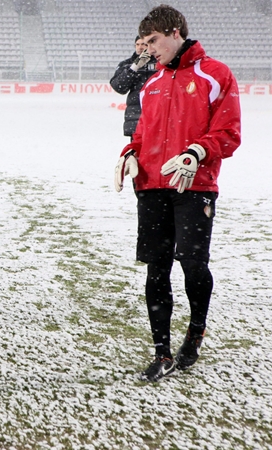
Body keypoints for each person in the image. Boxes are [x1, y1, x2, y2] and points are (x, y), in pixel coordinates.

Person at [113, 4, 241, 382]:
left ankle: (195, 333)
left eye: (154, 41)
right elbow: (141, 134)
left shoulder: (215, 74)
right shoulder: (151, 81)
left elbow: (229, 133)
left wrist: (196, 152)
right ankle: (162, 353)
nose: (149, 49)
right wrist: (130, 153)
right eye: (145, 42)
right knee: (157, 268)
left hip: (193, 185)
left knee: (193, 264)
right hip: (151, 186)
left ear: (174, 33)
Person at [109, 35, 157, 138]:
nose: (140, 47)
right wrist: (134, 67)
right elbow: (119, 87)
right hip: (136, 118)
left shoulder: (161, 62)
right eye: (137, 44)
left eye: (144, 44)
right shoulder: (127, 64)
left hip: (157, 116)